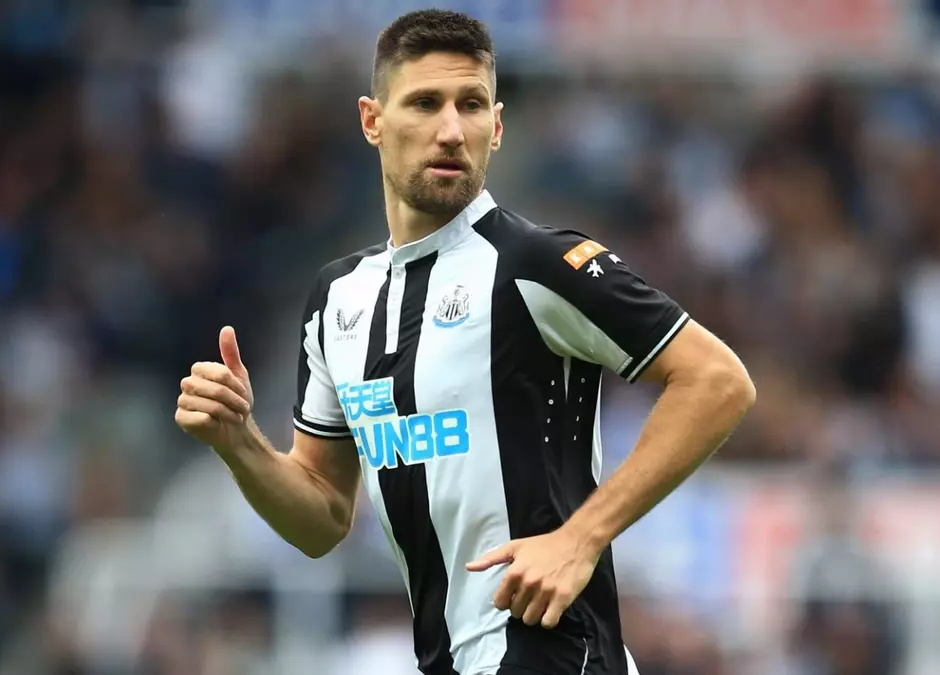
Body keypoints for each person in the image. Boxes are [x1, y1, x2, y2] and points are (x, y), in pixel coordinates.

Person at [173, 9, 755, 675]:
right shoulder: (336, 300)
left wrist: (581, 537)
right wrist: (240, 443)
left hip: (555, 655)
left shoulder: (534, 263)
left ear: (497, 127)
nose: (452, 129)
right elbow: (323, 516)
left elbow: (719, 380)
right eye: (425, 103)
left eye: (471, 105)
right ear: (373, 121)